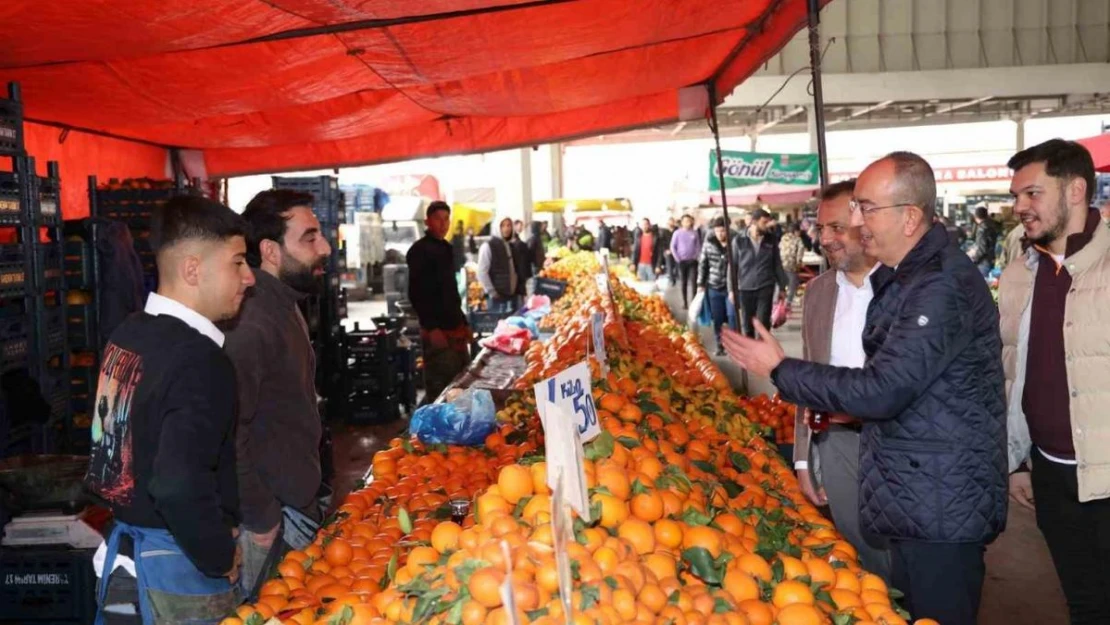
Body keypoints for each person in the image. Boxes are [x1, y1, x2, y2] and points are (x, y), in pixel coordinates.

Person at [723, 151, 1007, 625]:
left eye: (866, 208)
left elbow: (884, 389)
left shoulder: (939, 285)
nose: (856, 221)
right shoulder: (910, 279)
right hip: (918, 490)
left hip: (939, 501)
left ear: (911, 216)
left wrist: (780, 369)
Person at [88, 196, 254, 624]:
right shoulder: (199, 359)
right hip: (175, 575)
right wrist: (219, 556)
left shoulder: (128, 333)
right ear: (193, 269)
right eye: (237, 262)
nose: (249, 277)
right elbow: (177, 483)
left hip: (125, 560)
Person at [1000, 139, 1110, 624]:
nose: (1020, 206)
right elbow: (1011, 373)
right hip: (1050, 474)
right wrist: (1018, 460)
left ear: (1076, 190)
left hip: (1106, 477)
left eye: (1032, 193)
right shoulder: (1020, 273)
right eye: (1016, 195)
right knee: (1083, 602)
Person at [222, 190, 331, 596]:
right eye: (309, 238)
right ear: (269, 250)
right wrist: (263, 517)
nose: (325, 247)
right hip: (272, 522)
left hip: (295, 506)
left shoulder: (286, 304)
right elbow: (229, 433)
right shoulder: (251, 322)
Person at [791, 179, 891, 581]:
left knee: (906, 555)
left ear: (863, 222)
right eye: (821, 229)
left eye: (836, 228)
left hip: (895, 439)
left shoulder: (903, 285)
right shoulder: (817, 293)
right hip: (837, 442)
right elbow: (808, 374)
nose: (825, 239)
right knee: (860, 550)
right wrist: (803, 457)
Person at [407, 202, 471, 404]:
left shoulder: (447, 248)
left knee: (460, 383)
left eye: (446, 219)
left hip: (455, 327)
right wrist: (432, 327)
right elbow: (417, 293)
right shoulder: (419, 251)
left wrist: (463, 321)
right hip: (437, 332)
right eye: (438, 219)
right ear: (427, 221)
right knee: (441, 388)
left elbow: (451, 291)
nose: (443, 224)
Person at [731, 208, 787, 338]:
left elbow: (777, 264)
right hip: (745, 287)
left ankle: (762, 353)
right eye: (764, 222)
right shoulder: (739, 240)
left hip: (765, 285)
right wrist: (731, 289)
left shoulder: (771, 240)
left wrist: (782, 287)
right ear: (754, 222)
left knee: (763, 323)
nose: (767, 225)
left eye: (768, 222)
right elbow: (732, 266)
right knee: (747, 324)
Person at [697, 217, 732, 355]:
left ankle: (733, 346)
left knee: (732, 317)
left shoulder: (734, 243)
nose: (720, 234)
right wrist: (700, 283)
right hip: (714, 286)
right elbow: (703, 265)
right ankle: (719, 344)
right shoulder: (708, 244)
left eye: (723, 231)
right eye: (717, 231)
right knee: (717, 318)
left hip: (731, 288)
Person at [478, 217, 520, 312]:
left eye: (509, 225)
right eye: (503, 226)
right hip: (497, 298)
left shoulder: (510, 245)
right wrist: (492, 292)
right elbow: (482, 272)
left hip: (511, 295)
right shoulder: (487, 246)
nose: (506, 229)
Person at [670, 214, 701, 309]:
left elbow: (698, 246)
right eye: (685, 221)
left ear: (691, 222)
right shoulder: (677, 233)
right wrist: (677, 258)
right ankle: (684, 302)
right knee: (683, 282)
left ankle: (693, 302)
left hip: (693, 261)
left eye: (689, 221)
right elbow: (673, 247)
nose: (687, 223)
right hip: (681, 261)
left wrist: (696, 256)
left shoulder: (694, 233)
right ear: (682, 222)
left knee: (694, 282)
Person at [778, 221, 806, 306]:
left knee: (782, 283)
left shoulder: (783, 238)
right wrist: (799, 264)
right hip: (791, 265)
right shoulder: (798, 239)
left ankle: (779, 302)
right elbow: (800, 253)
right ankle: (788, 302)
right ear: (796, 231)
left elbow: (779, 248)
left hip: (781, 264)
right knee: (792, 284)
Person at [968, 205, 1000, 278]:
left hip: (983, 262)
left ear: (976, 217)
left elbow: (982, 248)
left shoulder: (982, 228)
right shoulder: (991, 225)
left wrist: (974, 259)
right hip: (990, 258)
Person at [509, 222, 532, 302]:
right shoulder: (521, 244)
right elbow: (527, 260)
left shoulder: (513, 246)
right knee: (521, 294)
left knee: (519, 296)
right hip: (521, 274)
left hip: (518, 274)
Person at [661, 217, 677, 282]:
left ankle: (677, 276)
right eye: (670, 222)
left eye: (672, 221)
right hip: (668, 250)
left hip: (676, 250)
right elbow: (662, 242)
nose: (671, 223)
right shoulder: (664, 232)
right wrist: (666, 249)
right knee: (668, 259)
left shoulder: (677, 230)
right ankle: (671, 278)